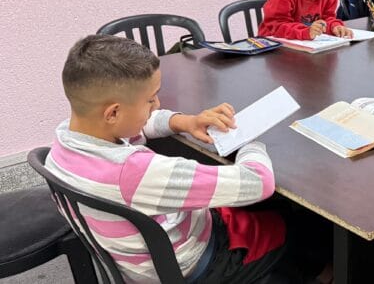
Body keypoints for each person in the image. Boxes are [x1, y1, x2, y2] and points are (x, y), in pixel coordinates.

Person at [47, 35, 331, 283]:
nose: (157, 105)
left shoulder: (65, 141)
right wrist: (250, 139)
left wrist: (186, 122)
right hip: (193, 263)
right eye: (150, 100)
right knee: (298, 221)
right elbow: (258, 183)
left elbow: (140, 126)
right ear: (113, 113)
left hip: (139, 262)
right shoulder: (137, 173)